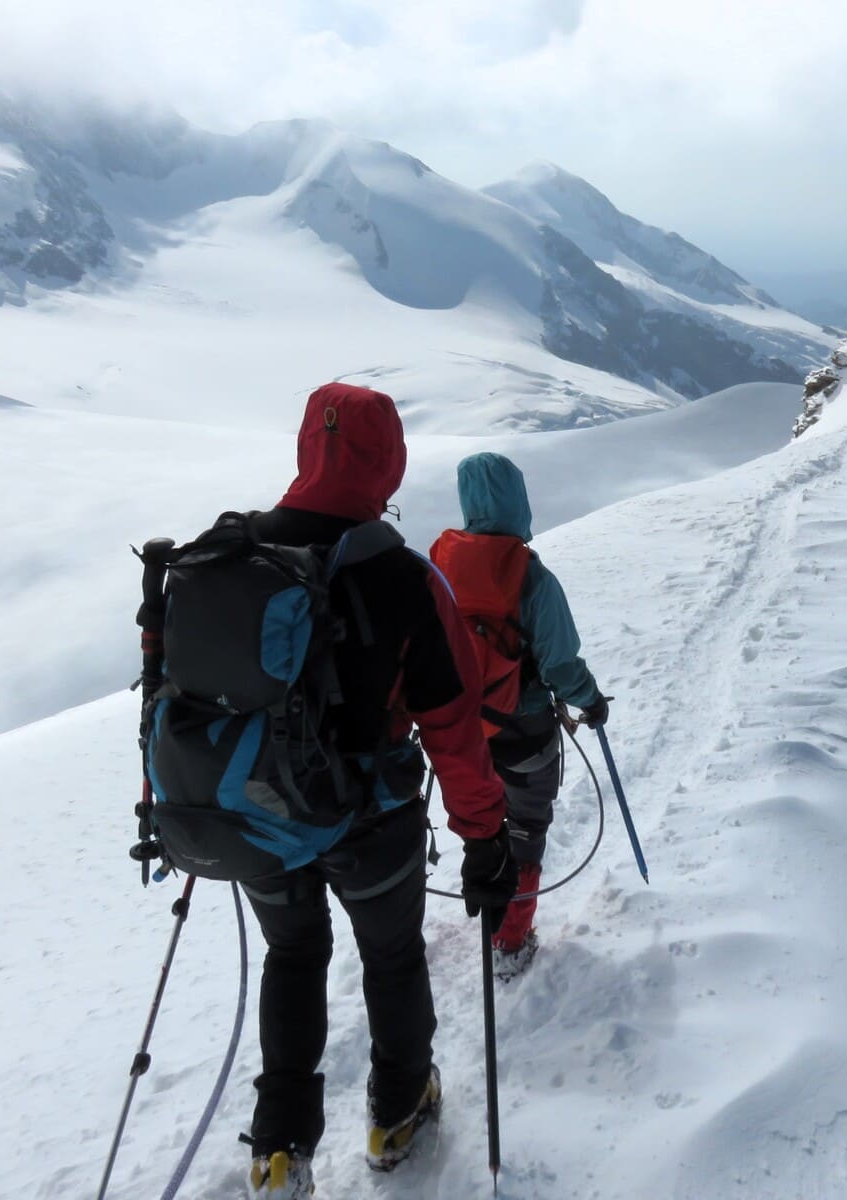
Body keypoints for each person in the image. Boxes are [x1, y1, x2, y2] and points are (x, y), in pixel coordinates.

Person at [223, 384, 516, 1197]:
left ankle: (279, 1151)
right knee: (390, 957)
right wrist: (486, 838)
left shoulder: (238, 553)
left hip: (262, 815)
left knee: (293, 953)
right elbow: (454, 725)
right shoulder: (403, 577)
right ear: (388, 461)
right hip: (369, 821)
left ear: (304, 450)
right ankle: (397, 1112)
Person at [430, 452, 609, 977]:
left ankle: (488, 907)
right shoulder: (531, 577)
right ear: (519, 501)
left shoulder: (438, 564)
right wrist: (591, 702)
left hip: (459, 733)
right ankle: (511, 938)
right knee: (526, 830)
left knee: (482, 826)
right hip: (524, 732)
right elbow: (560, 663)